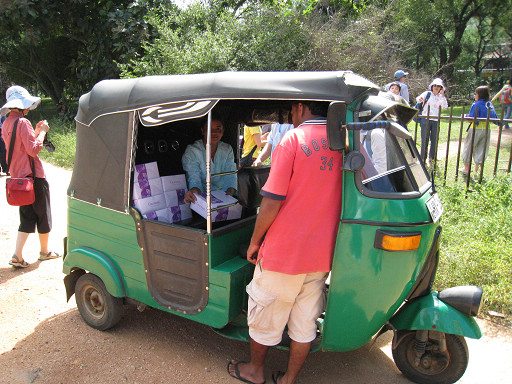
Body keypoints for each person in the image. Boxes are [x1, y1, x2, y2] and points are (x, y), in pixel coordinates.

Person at [227, 101, 343, 384]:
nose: (290, 116)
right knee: (305, 323)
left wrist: (255, 241)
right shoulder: (344, 142)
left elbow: (271, 202)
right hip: (321, 254)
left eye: (291, 110)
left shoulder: (293, 139)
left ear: (300, 107)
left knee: (266, 315)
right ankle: (288, 378)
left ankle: (255, 371)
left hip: (284, 253)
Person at [1, 85, 60, 268]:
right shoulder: (22, 122)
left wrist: (35, 133)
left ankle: (17, 255)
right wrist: (42, 132)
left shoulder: (7, 122)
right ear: (22, 105)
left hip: (19, 177)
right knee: (43, 214)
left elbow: (21, 147)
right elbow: (33, 150)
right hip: (33, 177)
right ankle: (44, 252)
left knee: (26, 216)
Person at [182, 117, 237, 203]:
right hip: (202, 197)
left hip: (224, 195)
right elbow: (193, 177)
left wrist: (230, 191)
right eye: (209, 129)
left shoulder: (227, 149)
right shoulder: (192, 151)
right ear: (203, 131)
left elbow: (230, 173)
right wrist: (195, 190)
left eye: (218, 129)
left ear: (223, 131)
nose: (214, 132)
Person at [460, 85, 499, 175]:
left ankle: (466, 168)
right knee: (482, 148)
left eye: (476, 93)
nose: (474, 95)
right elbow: (495, 118)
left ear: (479, 94)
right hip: (486, 129)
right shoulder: (489, 104)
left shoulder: (476, 104)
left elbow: (472, 118)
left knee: (469, 147)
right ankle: (478, 170)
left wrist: (465, 117)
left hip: (476, 129)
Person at [416, 78, 449, 164]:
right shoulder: (427, 94)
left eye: (438, 86)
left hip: (435, 120)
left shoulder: (441, 97)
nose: (436, 87)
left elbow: (445, 106)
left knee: (434, 139)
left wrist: (442, 95)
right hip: (425, 119)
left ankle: (432, 157)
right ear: (432, 86)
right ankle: (423, 158)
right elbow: (419, 99)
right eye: (435, 85)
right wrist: (420, 99)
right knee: (425, 139)